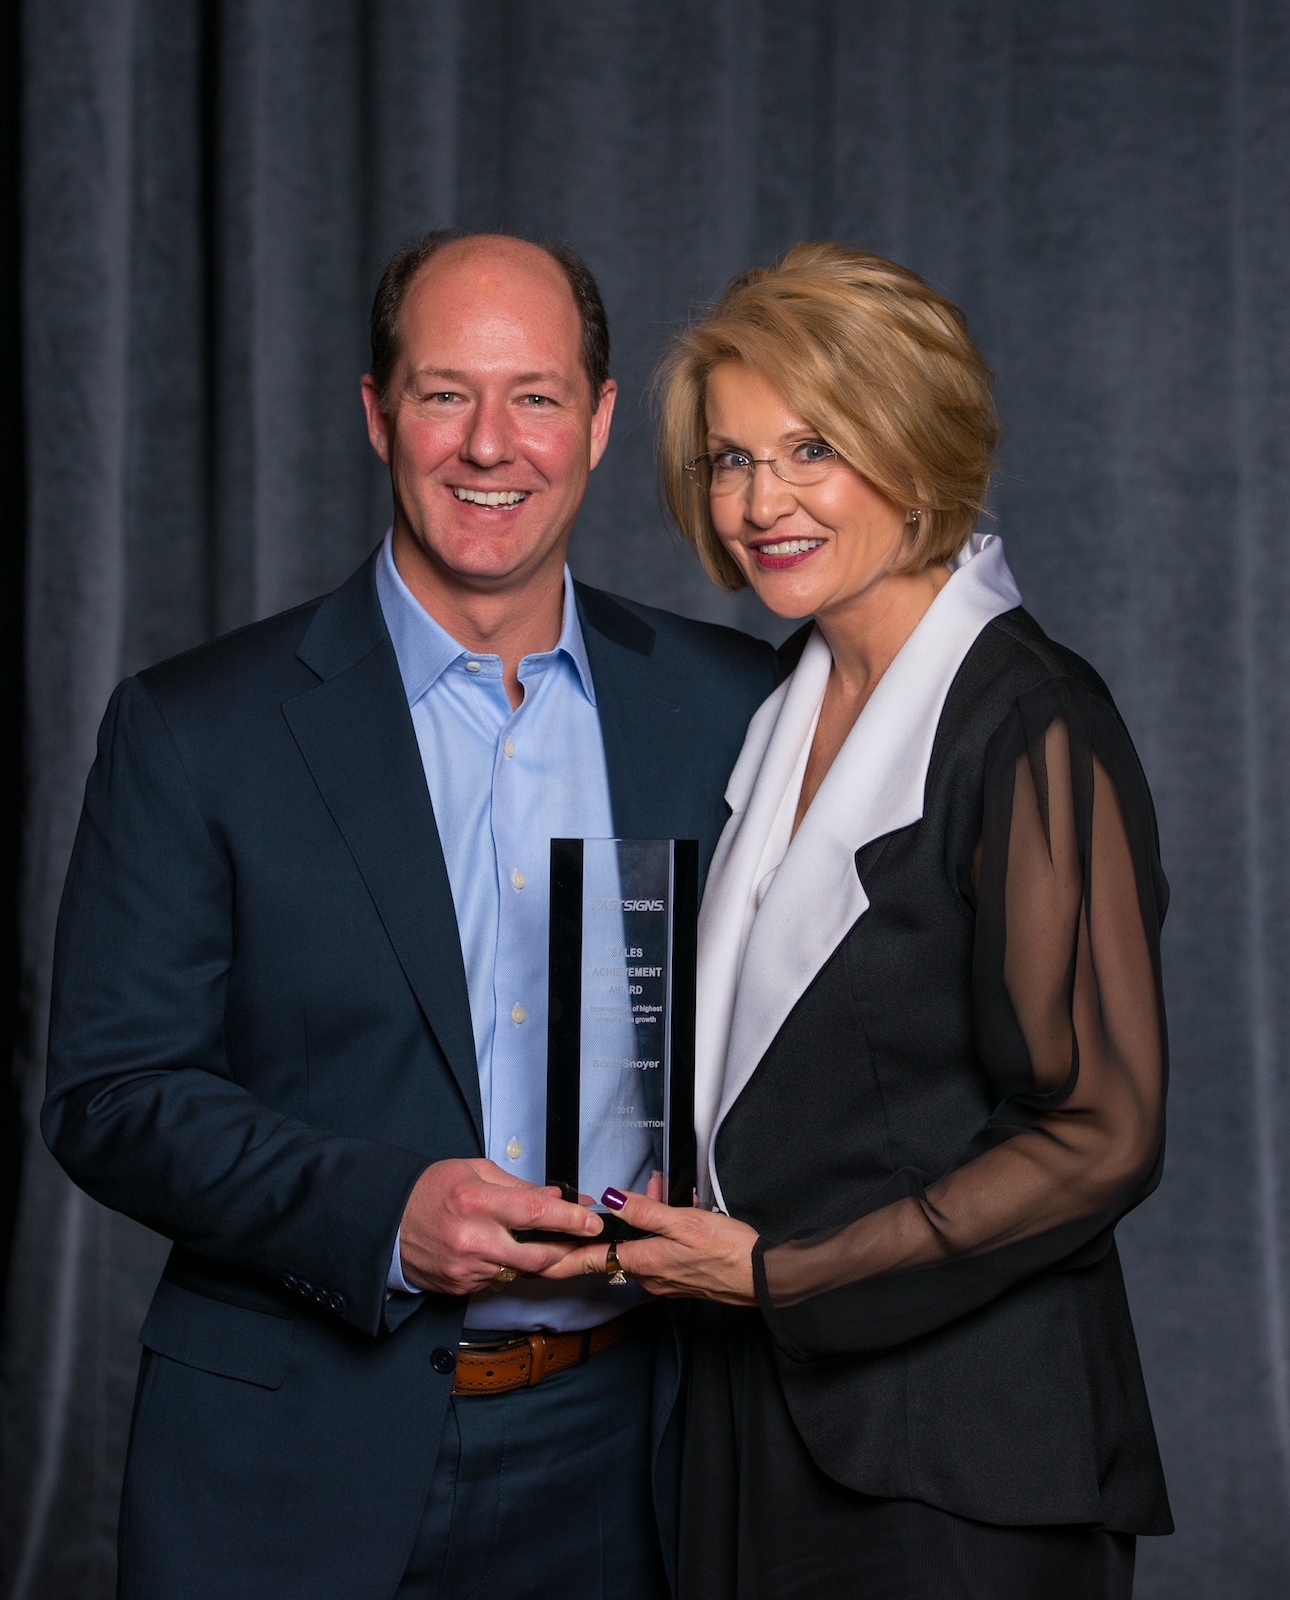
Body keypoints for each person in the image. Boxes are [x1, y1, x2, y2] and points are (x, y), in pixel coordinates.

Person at [41, 232, 779, 1598]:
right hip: (292, 1462)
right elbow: (111, 1092)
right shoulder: (198, 728)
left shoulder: (732, 707)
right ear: (380, 414)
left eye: (536, 396)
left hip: (638, 1454)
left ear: (600, 421)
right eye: (447, 393)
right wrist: (384, 1212)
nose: (490, 444)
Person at [553, 242, 1173, 1597]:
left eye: (812, 450)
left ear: (917, 450)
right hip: (751, 1421)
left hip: (960, 1458)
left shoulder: (1032, 721)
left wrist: (790, 1276)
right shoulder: (779, 703)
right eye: (730, 458)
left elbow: (1101, 1131)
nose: (758, 501)